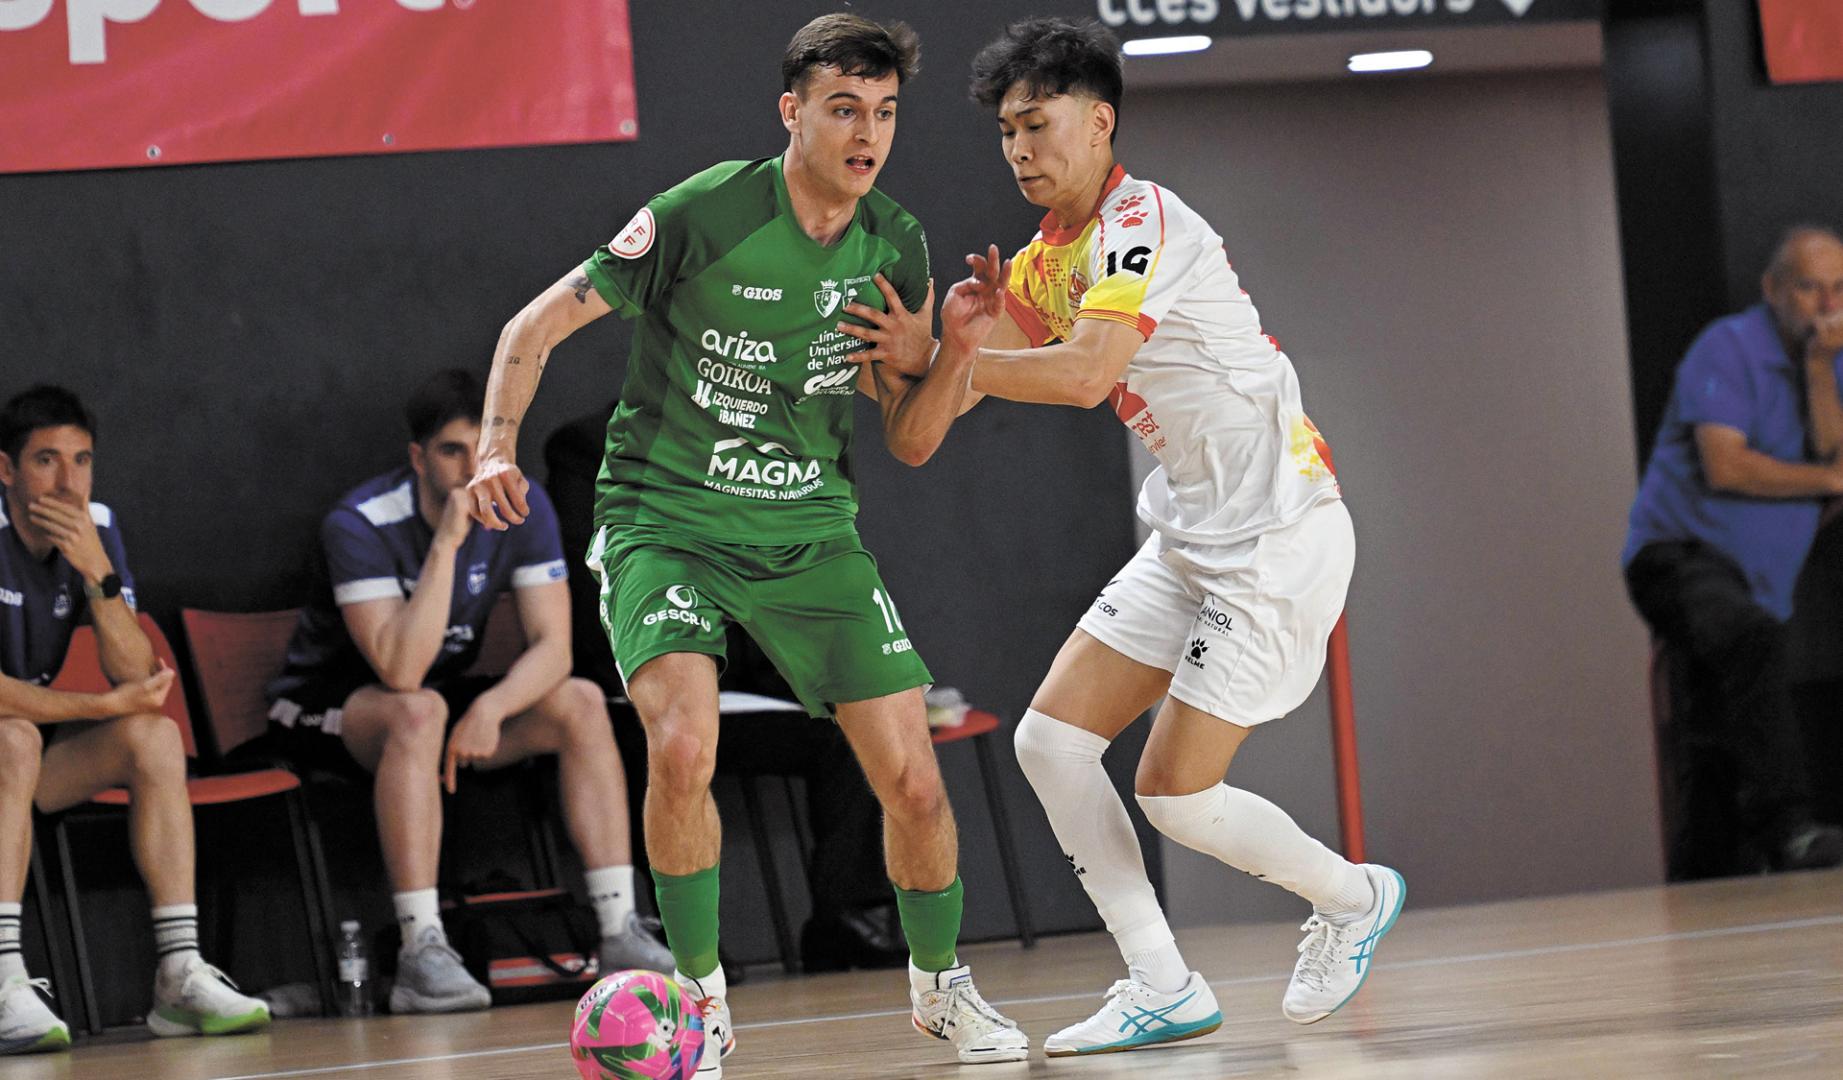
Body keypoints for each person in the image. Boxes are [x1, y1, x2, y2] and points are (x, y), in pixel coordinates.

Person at [461, 14, 1027, 1075]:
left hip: (807, 531)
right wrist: (495, 449)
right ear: (792, 113)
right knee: (682, 748)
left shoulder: (892, 244)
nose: (867, 134)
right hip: (664, 521)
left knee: (912, 781)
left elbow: (909, 441)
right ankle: (701, 1005)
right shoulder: (703, 212)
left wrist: (955, 352)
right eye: (844, 109)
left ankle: (942, 992)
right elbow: (528, 331)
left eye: (884, 113)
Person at [849, 18, 1407, 1056]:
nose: (1020, 149)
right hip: (1190, 535)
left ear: (1099, 121)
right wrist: (916, 358)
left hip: (1278, 534)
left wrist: (949, 355)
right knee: (1049, 742)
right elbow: (937, 418)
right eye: (1006, 132)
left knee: (1173, 796)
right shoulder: (1040, 263)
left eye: (1038, 124)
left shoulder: (1143, 218)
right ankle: (1162, 982)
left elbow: (1083, 374)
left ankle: (1350, 897)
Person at [264, 369, 670, 1015]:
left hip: (439, 699)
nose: (472, 468)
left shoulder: (524, 504)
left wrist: (492, 707)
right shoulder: (360, 523)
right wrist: (449, 543)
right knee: (417, 711)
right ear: (418, 458)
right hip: (326, 705)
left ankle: (619, 928)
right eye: (452, 451)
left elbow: (554, 649)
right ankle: (421, 949)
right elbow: (400, 670)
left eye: (484, 450)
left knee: (581, 703)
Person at [545, 408, 908, 972]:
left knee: (848, 730)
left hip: (739, 678)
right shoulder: (588, 445)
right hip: (642, 677)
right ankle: (686, 938)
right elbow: (593, 571)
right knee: (663, 746)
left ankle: (848, 916)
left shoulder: (751, 438)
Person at [0, 386, 269, 1052]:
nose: (68, 483)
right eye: (46, 461)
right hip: (10, 742)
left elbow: (135, 674)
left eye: (82, 461)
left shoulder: (96, 526)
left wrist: (98, 572)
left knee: (154, 736)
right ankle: (2, 977)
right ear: (5, 469)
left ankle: (179, 975)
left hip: (19, 762)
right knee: (14, 738)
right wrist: (97, 708)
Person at [1623, 226, 1843, 876]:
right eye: (1809, 287)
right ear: (1772, 289)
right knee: (1749, 641)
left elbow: (1834, 461)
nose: (1826, 305)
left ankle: (1703, 875)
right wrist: (1825, 480)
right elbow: (1726, 465)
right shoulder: (1727, 348)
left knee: (1715, 733)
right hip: (1678, 557)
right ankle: (1790, 828)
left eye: (1839, 289)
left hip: (1754, 579)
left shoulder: (1831, 363)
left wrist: (1817, 370)